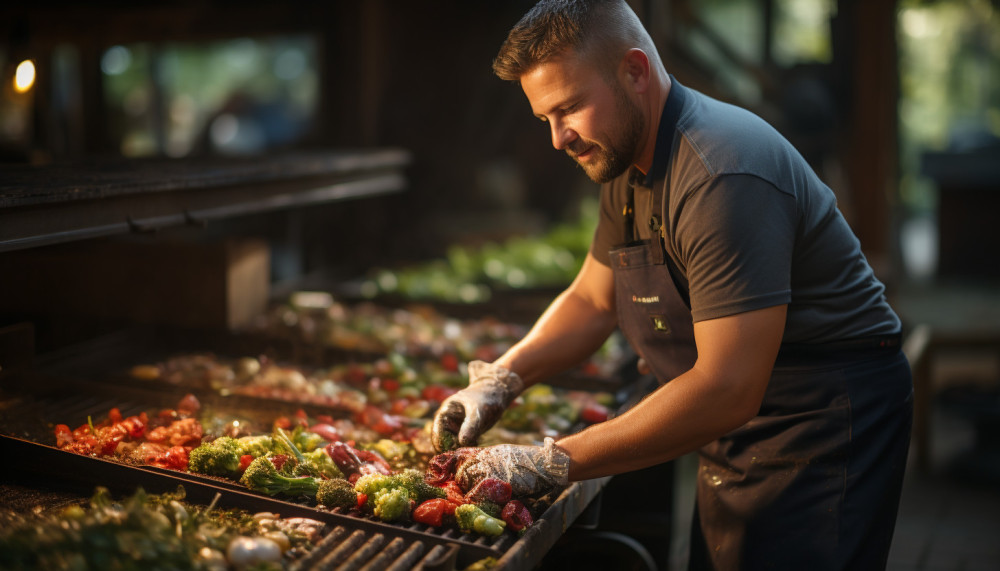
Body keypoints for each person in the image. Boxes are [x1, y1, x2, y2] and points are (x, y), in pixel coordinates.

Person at [430, 1, 913, 569]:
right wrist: (500, 379)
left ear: (635, 72)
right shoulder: (623, 157)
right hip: (739, 427)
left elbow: (728, 386)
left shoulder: (720, 174)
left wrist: (554, 460)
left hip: (819, 427)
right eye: (545, 119)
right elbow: (591, 298)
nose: (559, 139)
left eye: (570, 109)